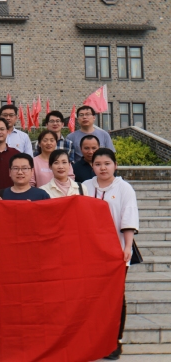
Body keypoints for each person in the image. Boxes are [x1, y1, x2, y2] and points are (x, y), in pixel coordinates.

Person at [83, 148, 139, 360]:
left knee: (115, 297)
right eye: (98, 164)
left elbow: (128, 218)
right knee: (92, 297)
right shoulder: (85, 187)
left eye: (107, 163)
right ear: (92, 166)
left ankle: (116, 341)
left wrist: (127, 247)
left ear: (115, 165)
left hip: (116, 251)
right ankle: (93, 339)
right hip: (90, 253)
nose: (103, 168)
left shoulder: (124, 188)